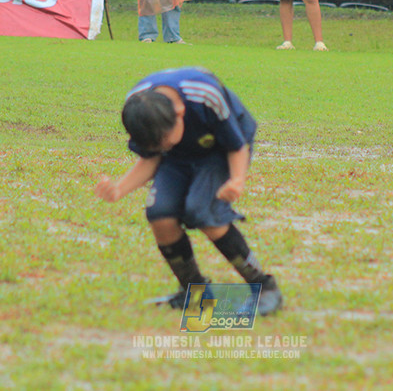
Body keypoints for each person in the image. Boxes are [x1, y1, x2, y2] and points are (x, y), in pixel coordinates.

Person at [95, 67, 283, 315]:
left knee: (203, 211)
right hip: (178, 158)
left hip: (221, 150)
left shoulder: (204, 96)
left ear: (180, 112)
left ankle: (264, 286)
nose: (163, 146)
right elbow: (152, 158)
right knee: (159, 214)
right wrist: (118, 189)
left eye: (167, 140)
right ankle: (194, 293)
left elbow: (237, 145)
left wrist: (237, 180)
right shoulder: (141, 109)